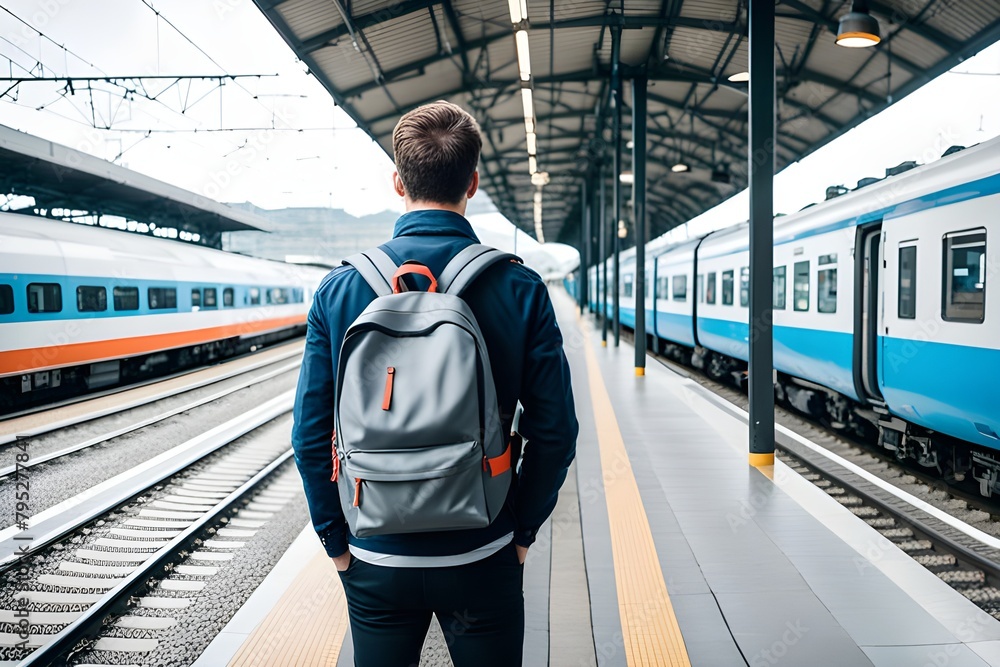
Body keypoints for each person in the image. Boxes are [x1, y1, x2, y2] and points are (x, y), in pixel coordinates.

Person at [291, 100, 578, 666]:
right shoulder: (518, 286)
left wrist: (336, 542)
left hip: (377, 555)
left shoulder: (340, 290)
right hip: (483, 548)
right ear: (473, 182)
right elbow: (556, 431)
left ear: (398, 182)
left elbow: (308, 435)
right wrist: (520, 529)